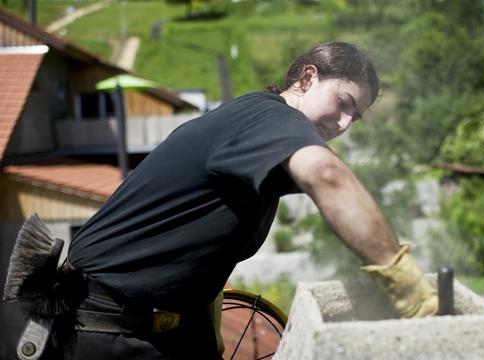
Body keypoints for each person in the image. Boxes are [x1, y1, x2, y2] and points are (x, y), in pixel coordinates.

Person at [6, 41, 437, 359]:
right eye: (342, 103)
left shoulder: (258, 124)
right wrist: (407, 288)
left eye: (354, 116)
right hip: (100, 332)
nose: (343, 123)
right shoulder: (271, 119)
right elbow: (328, 176)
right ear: (307, 78)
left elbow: (340, 193)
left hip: (160, 328)